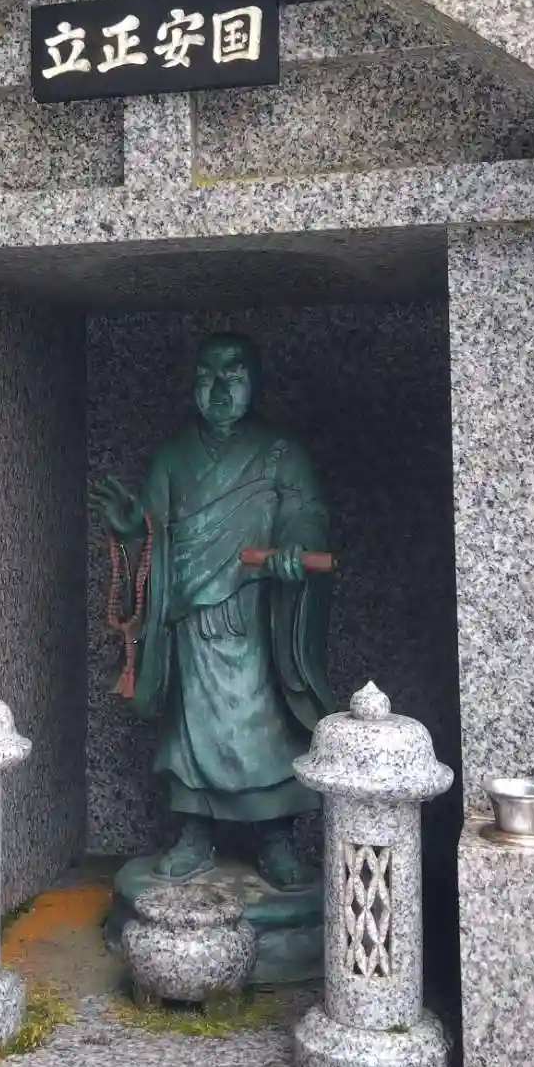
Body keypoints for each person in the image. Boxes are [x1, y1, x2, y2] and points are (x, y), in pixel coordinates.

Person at [92, 333, 332, 890]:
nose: (219, 389)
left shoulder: (281, 454)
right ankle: (194, 832)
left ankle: (276, 837)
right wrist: (131, 528)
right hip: (190, 618)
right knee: (190, 725)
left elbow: (307, 515)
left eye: (234, 374)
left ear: (257, 382)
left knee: (268, 723)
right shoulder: (172, 457)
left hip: (257, 615)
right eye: (206, 376)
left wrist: (295, 547)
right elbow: (152, 536)